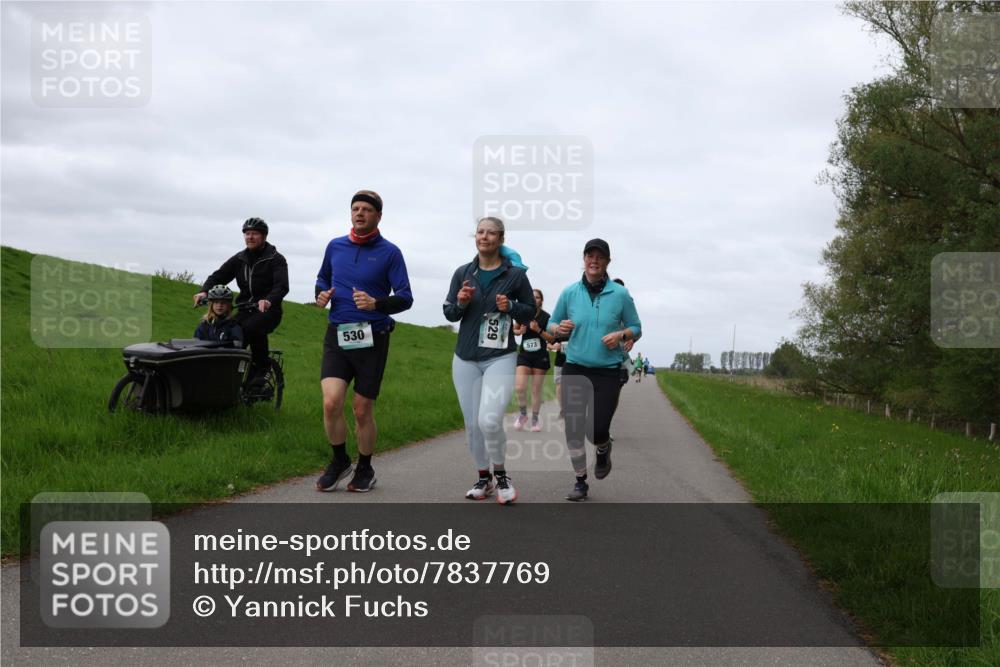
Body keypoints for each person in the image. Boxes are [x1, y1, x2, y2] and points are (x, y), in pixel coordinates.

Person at [314, 190, 413, 493]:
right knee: (331, 402)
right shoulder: (335, 246)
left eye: (366, 209)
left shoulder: (390, 252)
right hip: (338, 333)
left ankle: (365, 467)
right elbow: (322, 279)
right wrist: (321, 294)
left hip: (373, 336)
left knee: (361, 409)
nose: (359, 213)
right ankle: (340, 461)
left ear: (378, 216)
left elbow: (405, 298)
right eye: (355, 209)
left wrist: (376, 303)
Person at [444, 217, 536, 504]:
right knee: (472, 424)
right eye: (480, 232)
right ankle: (484, 478)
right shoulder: (463, 272)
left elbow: (530, 312)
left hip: (500, 356)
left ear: (501, 239)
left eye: (491, 233)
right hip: (465, 357)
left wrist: (511, 306)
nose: (484, 237)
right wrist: (460, 301)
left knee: (490, 419)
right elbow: (449, 312)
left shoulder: (515, 276)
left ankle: (502, 475)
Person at [548, 239, 642, 501]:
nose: (594, 260)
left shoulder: (620, 295)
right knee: (574, 428)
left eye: (600, 257)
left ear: (607, 262)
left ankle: (603, 447)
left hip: (607, 371)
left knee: (596, 429)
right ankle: (580, 481)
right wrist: (559, 330)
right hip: (575, 367)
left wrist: (621, 334)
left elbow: (636, 327)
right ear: (584, 259)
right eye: (590, 255)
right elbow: (553, 323)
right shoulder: (569, 292)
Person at [194, 217, 289, 381]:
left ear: (264, 236)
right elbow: (219, 276)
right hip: (245, 309)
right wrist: (204, 291)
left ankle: (264, 369)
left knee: (250, 329)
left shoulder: (275, 259)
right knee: (229, 334)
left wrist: (268, 300)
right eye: (247, 234)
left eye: (255, 234)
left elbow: (281, 286)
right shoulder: (240, 259)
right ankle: (229, 381)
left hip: (269, 310)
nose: (250, 237)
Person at [513, 289, 556, 432]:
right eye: (532, 297)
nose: (534, 299)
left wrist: (538, 330)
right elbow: (515, 330)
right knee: (519, 387)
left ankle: (535, 419)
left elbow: (552, 339)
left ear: (541, 301)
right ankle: (523, 414)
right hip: (524, 355)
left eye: (537, 297)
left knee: (536, 390)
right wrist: (520, 332)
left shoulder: (547, 317)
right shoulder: (523, 314)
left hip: (540, 357)